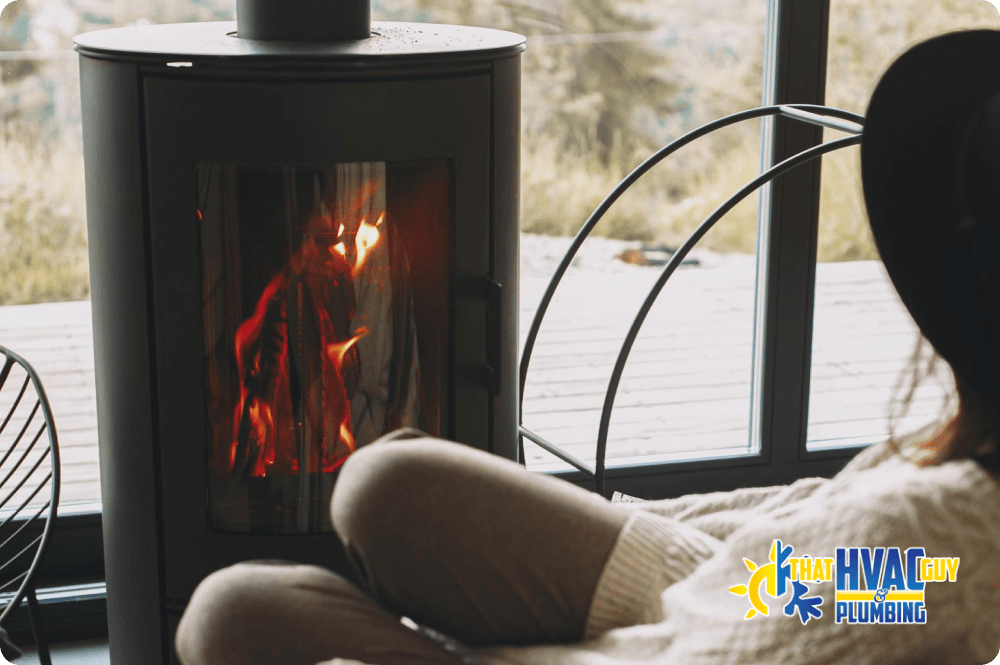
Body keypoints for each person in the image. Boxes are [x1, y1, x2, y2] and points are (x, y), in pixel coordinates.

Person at [174, 30, 1000, 665]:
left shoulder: (945, 547)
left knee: (234, 615)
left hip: (680, 638)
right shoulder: (939, 513)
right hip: (718, 586)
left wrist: (452, 647)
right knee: (382, 480)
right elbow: (804, 558)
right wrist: (626, 531)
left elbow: (755, 633)